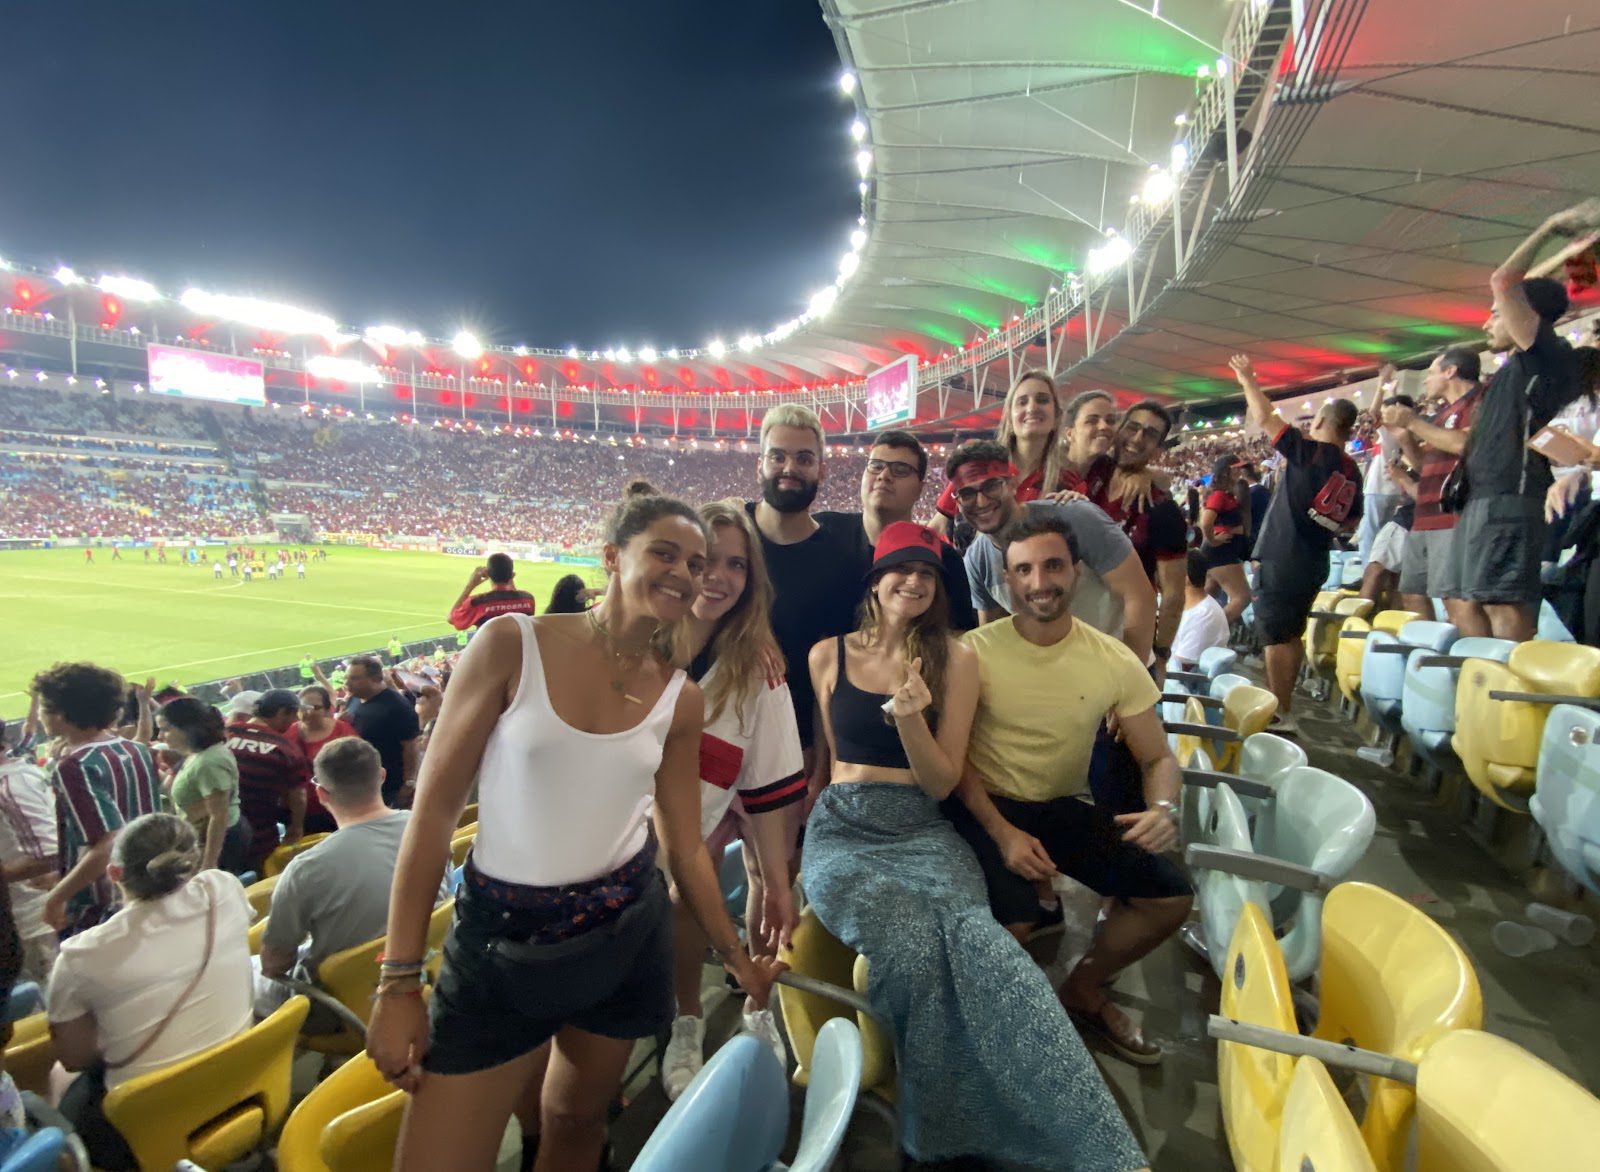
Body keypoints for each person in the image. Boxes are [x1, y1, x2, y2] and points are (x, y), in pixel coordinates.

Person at [367, 483, 781, 1172]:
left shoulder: (682, 699)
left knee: (577, 1121)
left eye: (697, 562)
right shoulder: (510, 645)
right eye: (665, 554)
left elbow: (684, 849)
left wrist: (736, 959)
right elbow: (434, 815)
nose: (685, 574)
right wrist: (399, 982)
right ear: (612, 556)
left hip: (623, 935)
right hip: (500, 947)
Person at [803, 521, 1148, 1169]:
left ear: (939, 588)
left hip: (922, 827)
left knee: (993, 955)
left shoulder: (956, 658)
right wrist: (799, 860)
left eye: (926, 573)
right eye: (898, 569)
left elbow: (940, 780)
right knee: (909, 951)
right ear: (875, 580)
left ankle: (1076, 1141)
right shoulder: (827, 655)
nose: (911, 581)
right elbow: (824, 770)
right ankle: (934, 1130)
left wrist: (908, 718)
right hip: (844, 832)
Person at [946, 512, 1192, 1066]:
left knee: (1170, 896)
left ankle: (1083, 987)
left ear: (1077, 572)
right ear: (1008, 580)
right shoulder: (974, 652)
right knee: (1014, 924)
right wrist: (1001, 831)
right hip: (985, 808)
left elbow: (1158, 758)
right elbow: (952, 760)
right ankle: (984, 1048)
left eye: (1053, 565)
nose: (1040, 582)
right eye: (1025, 570)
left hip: (1057, 808)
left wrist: (1163, 807)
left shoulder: (1112, 658)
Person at [1391, 204, 1598, 639]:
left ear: (1527, 316)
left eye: (1497, 313)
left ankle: (1509, 701)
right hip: (1485, 498)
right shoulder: (1521, 370)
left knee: (1504, 609)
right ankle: (1486, 694)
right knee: (1476, 606)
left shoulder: (1544, 355)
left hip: (1507, 500)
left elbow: (1503, 280)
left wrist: (1550, 226)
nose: (1487, 321)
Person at [661, 501, 805, 1100]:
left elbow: (769, 784)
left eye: (736, 565)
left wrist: (775, 876)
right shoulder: (640, 650)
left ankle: (757, 1005)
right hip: (673, 814)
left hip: (737, 785)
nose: (718, 576)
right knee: (686, 895)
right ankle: (687, 1017)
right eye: (705, 561)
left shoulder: (758, 665)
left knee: (771, 891)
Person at [46, 814, 252, 1172]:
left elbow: (74, 1058)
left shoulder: (83, 956)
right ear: (191, 858)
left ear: (115, 874)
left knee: (59, 1079)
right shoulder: (225, 889)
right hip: (242, 1085)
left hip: (140, 1127)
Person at [257, 738, 447, 1031]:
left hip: (341, 1008)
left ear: (320, 793)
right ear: (382, 776)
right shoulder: (428, 827)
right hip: (429, 972)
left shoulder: (306, 869)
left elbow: (273, 965)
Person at [1231, 354, 1364, 732]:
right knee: (1289, 634)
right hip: (1314, 558)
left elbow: (1266, 418)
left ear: (1320, 421)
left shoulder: (1313, 452)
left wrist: (1246, 378)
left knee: (1275, 637)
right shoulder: (1352, 468)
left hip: (1285, 557)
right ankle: (1282, 707)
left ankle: (1279, 712)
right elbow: (1352, 520)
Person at [744, 404, 874, 767]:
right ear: (760, 465)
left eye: (803, 458)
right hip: (714, 728)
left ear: (821, 470)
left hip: (794, 747)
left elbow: (835, 674)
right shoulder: (728, 534)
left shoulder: (843, 562)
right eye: (777, 456)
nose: (789, 468)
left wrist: (821, 763)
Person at [947, 439, 1157, 662]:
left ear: (1011, 483)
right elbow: (994, 638)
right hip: (1054, 683)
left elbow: (1139, 595)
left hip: (1116, 671)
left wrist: (1133, 676)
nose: (981, 501)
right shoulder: (977, 560)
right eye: (967, 493)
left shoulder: (1076, 518)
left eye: (991, 486)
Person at [31, 663, 160, 938]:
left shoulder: (74, 766)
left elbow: (108, 843)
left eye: (43, 707)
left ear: (62, 714)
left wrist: (57, 897)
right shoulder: (136, 750)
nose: (40, 715)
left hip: (102, 905)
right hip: (147, 889)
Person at [819, 429, 978, 631]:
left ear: (920, 488)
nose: (884, 476)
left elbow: (959, 637)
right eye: (876, 466)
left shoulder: (943, 560)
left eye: (900, 470)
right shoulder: (823, 533)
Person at [1087, 400, 1190, 673]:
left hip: (1120, 643)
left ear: (1158, 448)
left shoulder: (1162, 510)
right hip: (1069, 629)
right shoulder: (1089, 474)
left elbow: (1174, 595)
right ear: (1118, 429)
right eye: (1132, 428)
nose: (1137, 438)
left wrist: (1160, 656)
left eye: (1150, 434)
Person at [930, 370, 1072, 537]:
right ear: (1009, 419)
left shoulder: (1067, 481)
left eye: (1042, 400)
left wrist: (1075, 505)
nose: (1032, 407)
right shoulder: (976, 463)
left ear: (1057, 417)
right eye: (1022, 402)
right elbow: (937, 527)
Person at [159, 698, 250, 875]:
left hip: (220, 843)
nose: (160, 737)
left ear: (187, 729)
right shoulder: (198, 754)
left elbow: (218, 816)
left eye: (165, 729)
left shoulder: (210, 762)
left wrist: (209, 864)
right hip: (204, 837)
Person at [226, 690, 311, 872]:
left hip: (218, 834)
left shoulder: (225, 734)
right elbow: (298, 796)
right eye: (294, 714)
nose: (295, 720)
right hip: (261, 838)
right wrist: (296, 828)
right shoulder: (286, 749)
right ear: (282, 713)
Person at [0, 724, 60, 982]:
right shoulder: (20, 775)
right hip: (20, 919)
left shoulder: (11, 784)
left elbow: (51, 853)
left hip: (34, 921)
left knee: (47, 1005)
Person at [343, 656, 420, 807]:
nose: (347, 683)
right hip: (362, 784)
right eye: (347, 678)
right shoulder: (355, 699)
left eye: (354, 678)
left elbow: (410, 747)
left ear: (375, 678)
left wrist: (408, 784)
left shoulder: (397, 707)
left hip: (389, 787)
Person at [290, 685, 356, 835]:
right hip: (302, 810)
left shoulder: (342, 731)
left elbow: (358, 768)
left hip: (340, 807)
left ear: (327, 710)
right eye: (303, 706)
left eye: (315, 707)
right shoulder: (289, 731)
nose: (307, 711)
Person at [1199, 455, 1254, 626]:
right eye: (1236, 468)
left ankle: (1197, 632)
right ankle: (1209, 632)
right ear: (1226, 472)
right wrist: (1213, 540)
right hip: (1222, 553)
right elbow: (1206, 522)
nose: (1240, 471)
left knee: (1207, 600)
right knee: (1242, 598)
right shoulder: (1219, 495)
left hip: (1222, 552)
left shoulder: (1226, 495)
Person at [1173, 550, 1232, 668]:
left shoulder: (1204, 615)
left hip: (1183, 681)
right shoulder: (1191, 606)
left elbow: (1184, 666)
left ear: (1187, 577)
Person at [448, 553, 538, 630]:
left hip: (488, 649)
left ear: (488, 573)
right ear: (512, 575)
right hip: (518, 649)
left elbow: (452, 619)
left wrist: (470, 585)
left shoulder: (477, 602)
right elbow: (513, 600)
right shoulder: (528, 600)